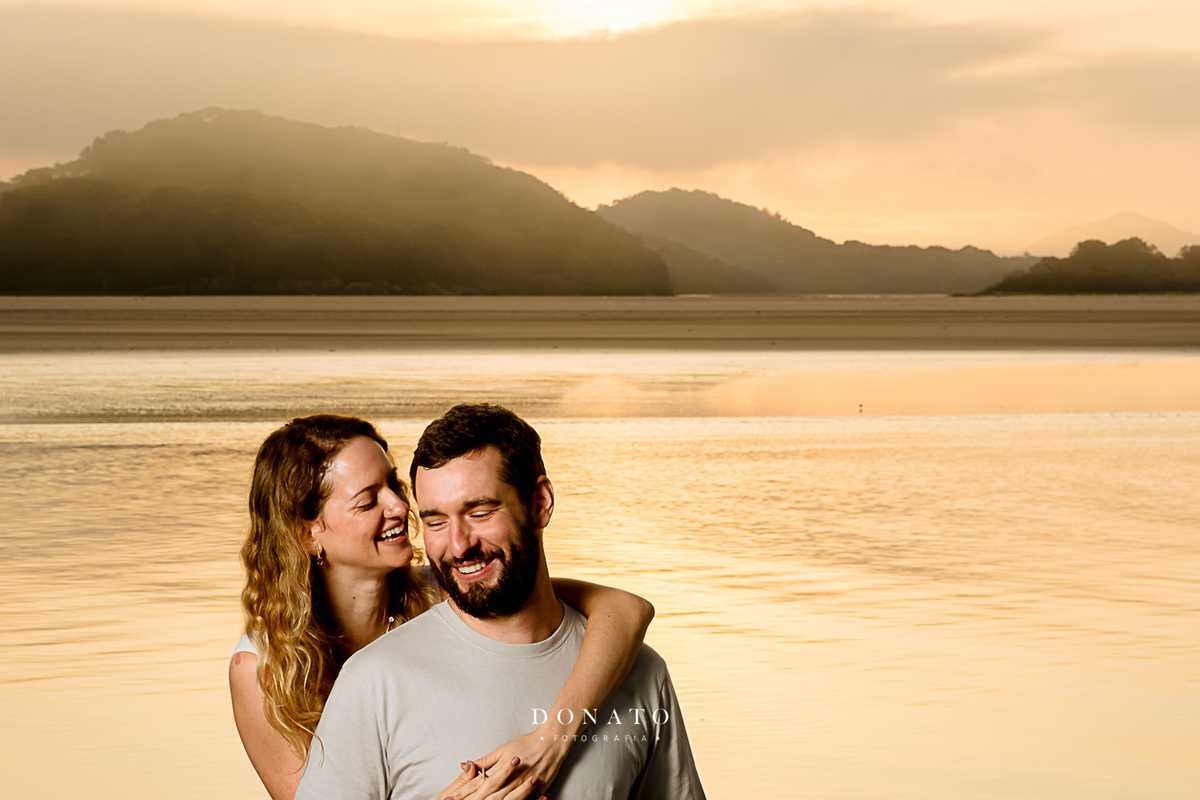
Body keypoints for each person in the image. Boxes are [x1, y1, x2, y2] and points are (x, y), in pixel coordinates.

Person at [229, 414, 656, 800]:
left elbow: (625, 609)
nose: (400, 507)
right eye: (367, 501)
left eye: (394, 485)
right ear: (308, 534)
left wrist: (552, 738)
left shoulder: (450, 588)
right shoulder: (262, 668)